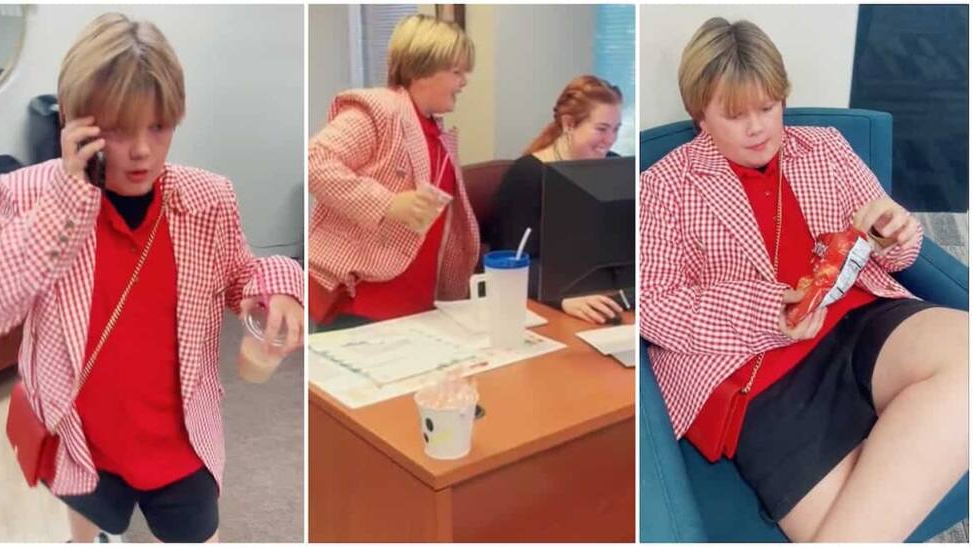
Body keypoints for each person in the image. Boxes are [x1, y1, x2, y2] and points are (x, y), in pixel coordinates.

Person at [0, 13, 305, 543]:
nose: (141, 150)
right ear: (75, 122)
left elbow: (242, 272)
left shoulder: (206, 199)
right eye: (118, 127)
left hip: (180, 440)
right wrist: (67, 199)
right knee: (87, 527)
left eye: (157, 126)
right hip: (79, 433)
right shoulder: (34, 194)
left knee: (197, 533)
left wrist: (280, 284)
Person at [639, 17, 968, 542]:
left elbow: (896, 256)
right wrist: (764, 312)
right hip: (753, 376)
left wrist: (897, 231)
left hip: (863, 320)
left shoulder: (828, 149)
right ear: (700, 114)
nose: (758, 128)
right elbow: (655, 307)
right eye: (735, 114)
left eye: (768, 107)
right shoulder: (662, 187)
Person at [309, 14, 479, 332]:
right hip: (366, 304)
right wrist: (387, 204)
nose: (464, 82)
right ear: (422, 70)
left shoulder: (434, 130)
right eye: (456, 72)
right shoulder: (380, 110)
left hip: (418, 304)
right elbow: (315, 161)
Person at [487, 75, 626, 324]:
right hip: (548, 305)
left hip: (606, 298)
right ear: (569, 124)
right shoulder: (527, 175)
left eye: (616, 129)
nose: (610, 139)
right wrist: (562, 297)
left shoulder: (614, 166)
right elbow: (510, 260)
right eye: (602, 129)